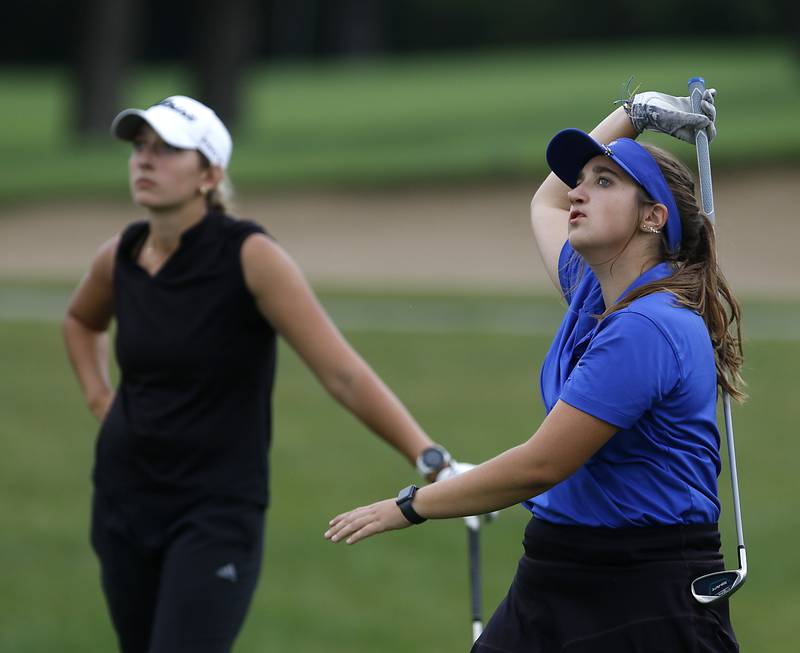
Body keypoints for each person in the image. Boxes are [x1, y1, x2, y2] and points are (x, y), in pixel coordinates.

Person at [325, 87, 743, 652]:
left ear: (653, 217)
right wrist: (635, 113)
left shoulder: (650, 326)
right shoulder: (593, 294)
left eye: (604, 182)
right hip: (558, 566)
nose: (577, 192)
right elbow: (545, 202)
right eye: (582, 179)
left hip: (647, 587)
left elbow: (540, 466)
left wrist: (411, 506)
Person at [63, 95, 456, 653]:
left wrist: (429, 458)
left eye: (167, 149)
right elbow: (81, 320)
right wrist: (100, 400)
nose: (145, 160)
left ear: (210, 174)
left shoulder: (249, 255)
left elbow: (341, 373)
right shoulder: (121, 254)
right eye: (140, 147)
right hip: (123, 499)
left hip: (214, 510)